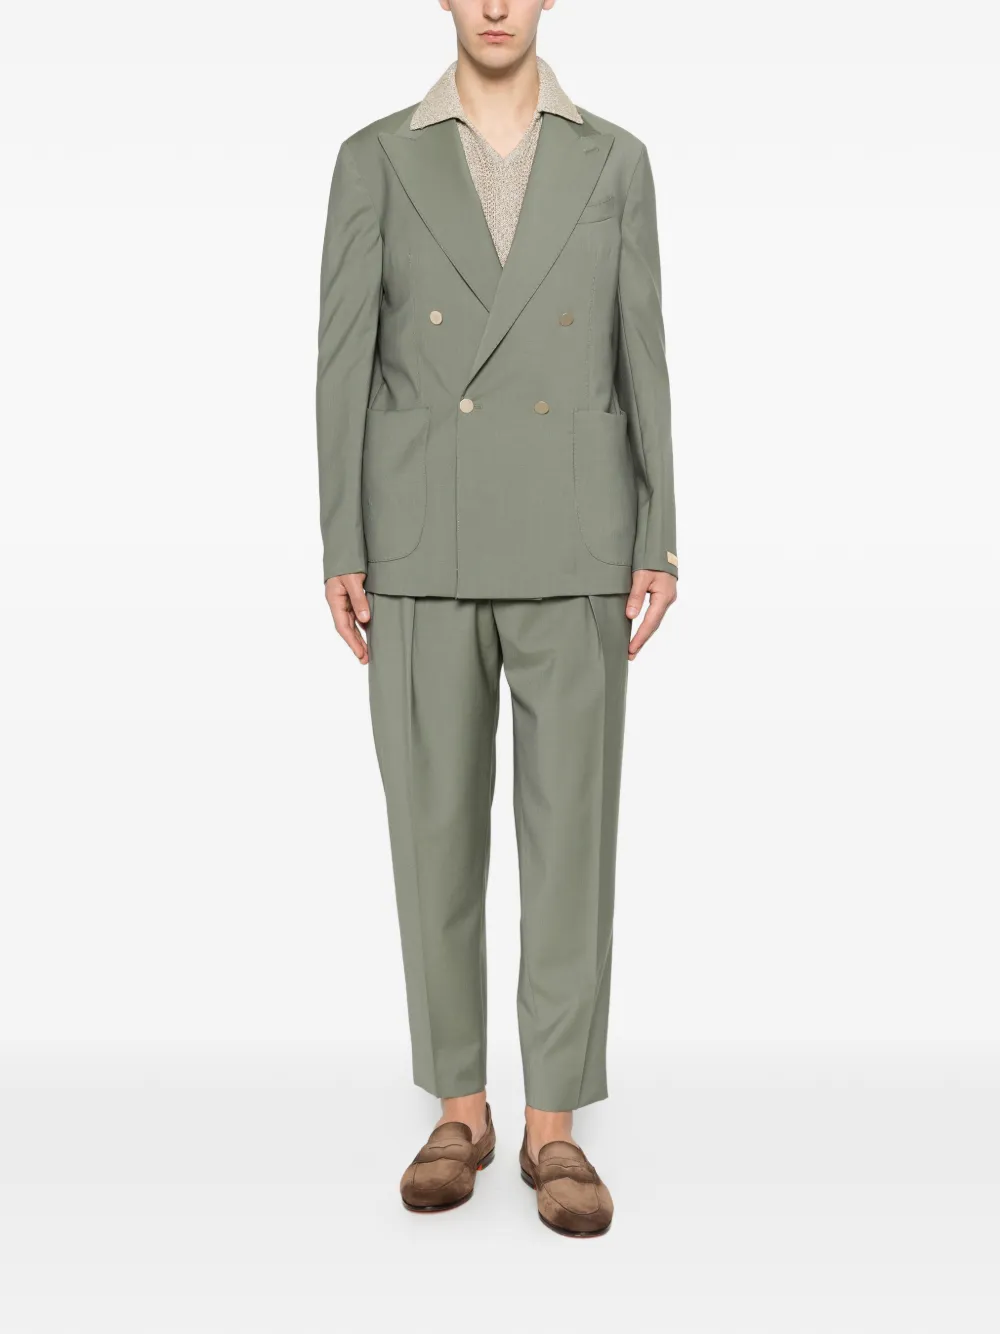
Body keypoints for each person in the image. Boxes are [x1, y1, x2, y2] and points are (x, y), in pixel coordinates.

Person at [316, 0, 677, 1238]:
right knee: (433, 829)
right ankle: (460, 1107)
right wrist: (342, 538)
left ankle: (553, 1122)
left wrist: (659, 529)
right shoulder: (375, 157)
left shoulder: (614, 159)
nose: (493, 4)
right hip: (422, 532)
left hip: (578, 529)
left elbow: (641, 348)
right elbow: (341, 357)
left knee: (571, 833)